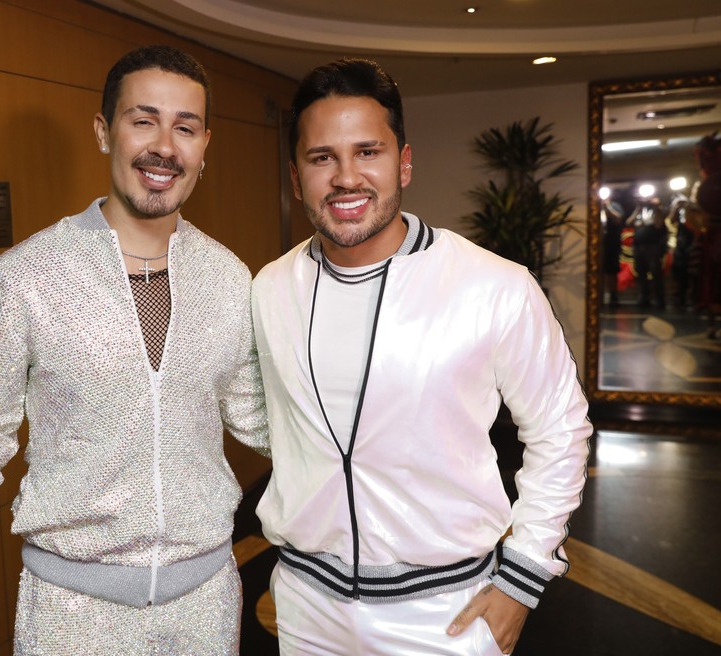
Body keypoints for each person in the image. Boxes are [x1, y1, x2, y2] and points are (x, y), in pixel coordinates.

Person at [0, 45, 269, 655]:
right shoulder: (27, 275)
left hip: (205, 601)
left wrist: (382, 450)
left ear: (205, 145)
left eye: (186, 127)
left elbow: (260, 412)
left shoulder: (229, 277)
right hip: (72, 613)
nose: (164, 146)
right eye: (143, 119)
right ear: (104, 131)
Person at [251, 58, 591, 656]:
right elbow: (274, 418)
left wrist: (525, 576)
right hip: (305, 605)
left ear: (403, 163)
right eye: (322, 157)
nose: (346, 177)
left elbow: (560, 429)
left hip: (446, 615)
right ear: (295, 175)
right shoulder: (270, 287)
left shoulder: (494, 285)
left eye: (368, 152)